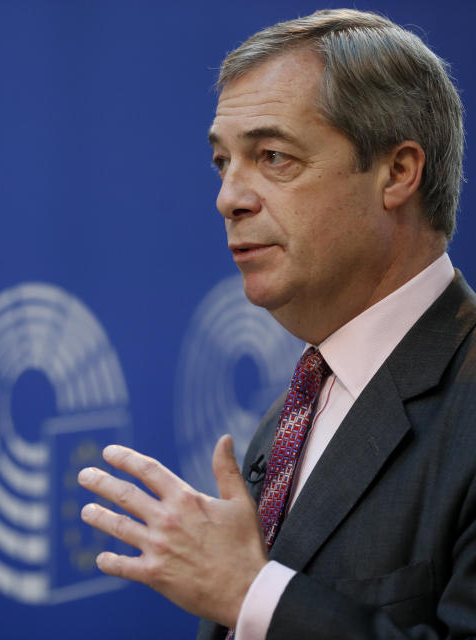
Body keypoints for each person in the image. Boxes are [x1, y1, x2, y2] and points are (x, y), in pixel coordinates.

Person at [77, 9, 476, 639]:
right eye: (222, 162)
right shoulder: (299, 405)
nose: (229, 197)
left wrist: (252, 594)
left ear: (397, 172)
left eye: (272, 156)